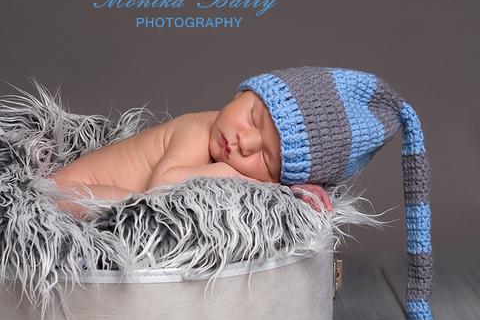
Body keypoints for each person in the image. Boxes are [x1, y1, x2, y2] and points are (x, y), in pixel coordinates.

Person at [48, 89, 333, 220]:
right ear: (243, 93)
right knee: (133, 208)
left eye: (266, 157)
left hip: (75, 192)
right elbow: (161, 188)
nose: (244, 142)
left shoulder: (230, 143)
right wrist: (231, 173)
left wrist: (292, 188)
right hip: (64, 191)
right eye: (253, 119)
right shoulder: (198, 130)